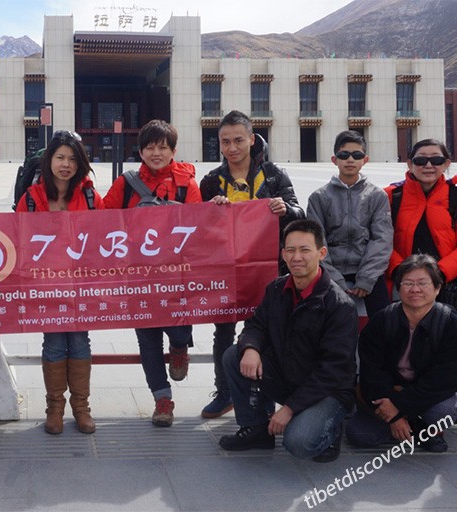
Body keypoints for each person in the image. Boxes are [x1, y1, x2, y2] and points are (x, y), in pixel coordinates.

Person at [218, 219, 357, 463]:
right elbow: (256, 325)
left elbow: (333, 369)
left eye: (305, 250)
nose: (297, 257)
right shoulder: (277, 288)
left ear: (321, 253)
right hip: (287, 376)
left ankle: (331, 430)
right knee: (234, 355)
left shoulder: (339, 305)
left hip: (327, 391)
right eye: (290, 250)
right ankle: (257, 429)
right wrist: (250, 348)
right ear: (283, 253)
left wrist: (289, 409)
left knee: (299, 443)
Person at [198, 110, 305, 419]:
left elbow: (300, 213)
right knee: (223, 333)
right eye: (225, 141)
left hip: (267, 269)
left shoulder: (274, 175)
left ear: (251, 138)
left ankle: (264, 392)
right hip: (226, 269)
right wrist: (211, 209)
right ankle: (225, 391)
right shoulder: (211, 181)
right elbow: (200, 228)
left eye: (238, 140)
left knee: (266, 332)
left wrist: (285, 208)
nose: (232, 148)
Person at [103, 119, 201, 428]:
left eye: (162, 147)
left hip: (177, 276)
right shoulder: (127, 182)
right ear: (141, 151)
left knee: (179, 327)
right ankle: (163, 400)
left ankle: (180, 345)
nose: (156, 153)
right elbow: (102, 219)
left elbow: (199, 223)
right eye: (149, 147)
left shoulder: (187, 183)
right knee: (147, 341)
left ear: (173, 150)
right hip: (139, 276)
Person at [16, 130, 103, 434]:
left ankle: (81, 407)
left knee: (79, 341)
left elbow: (106, 236)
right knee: (53, 343)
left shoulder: (91, 197)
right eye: (60, 157)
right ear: (48, 160)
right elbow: (19, 242)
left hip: (81, 285)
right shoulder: (31, 199)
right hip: (46, 287)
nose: (66, 164)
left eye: (72, 158)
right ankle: (54, 407)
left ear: (81, 163)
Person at [347, 254, 457, 452]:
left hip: (425, 394)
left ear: (437, 288)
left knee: (444, 411)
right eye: (408, 283)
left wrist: (399, 406)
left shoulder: (449, 323)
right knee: (360, 435)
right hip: (388, 392)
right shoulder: (382, 320)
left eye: (422, 283)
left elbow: (444, 378)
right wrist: (395, 415)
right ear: (398, 288)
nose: (415, 289)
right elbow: (371, 373)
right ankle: (412, 428)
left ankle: (425, 428)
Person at [307, 130, 393, 320]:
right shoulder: (319, 198)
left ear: (365, 159)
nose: (350, 159)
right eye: (344, 155)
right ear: (334, 159)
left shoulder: (377, 196)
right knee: (318, 322)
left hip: (369, 271)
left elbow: (382, 239)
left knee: (384, 324)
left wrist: (367, 278)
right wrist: (333, 279)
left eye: (357, 155)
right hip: (330, 271)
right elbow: (315, 242)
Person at [385, 139, 457, 306]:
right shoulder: (391, 196)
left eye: (436, 160)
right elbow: (379, 241)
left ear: (446, 164)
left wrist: (440, 273)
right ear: (410, 164)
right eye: (421, 160)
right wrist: (400, 270)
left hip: (448, 283)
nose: (428, 165)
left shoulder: (454, 196)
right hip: (403, 282)